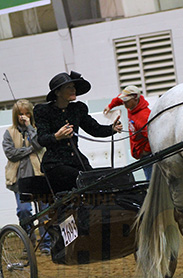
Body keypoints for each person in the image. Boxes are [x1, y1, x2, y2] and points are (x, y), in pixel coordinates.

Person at [34, 71, 122, 192]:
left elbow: (95, 129)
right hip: (55, 165)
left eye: (73, 87)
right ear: (58, 92)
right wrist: (56, 136)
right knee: (84, 179)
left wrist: (112, 129)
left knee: (100, 179)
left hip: (77, 161)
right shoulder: (43, 111)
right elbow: (41, 139)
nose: (73, 90)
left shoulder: (77, 109)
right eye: (68, 87)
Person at [3, 99, 51, 255]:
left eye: (26, 113)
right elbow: (11, 154)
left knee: (45, 211)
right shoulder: (9, 133)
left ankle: (47, 244)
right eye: (20, 114)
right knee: (23, 211)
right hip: (19, 179)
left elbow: (40, 144)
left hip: (40, 175)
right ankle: (29, 243)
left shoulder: (37, 129)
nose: (23, 117)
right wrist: (31, 150)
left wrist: (30, 126)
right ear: (15, 115)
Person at [103, 85, 152, 180]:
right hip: (141, 153)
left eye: (126, 101)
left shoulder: (143, 116)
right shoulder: (132, 105)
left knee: (151, 181)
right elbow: (119, 99)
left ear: (135, 98)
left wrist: (145, 151)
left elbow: (152, 136)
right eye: (123, 101)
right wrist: (110, 105)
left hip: (147, 156)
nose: (124, 104)